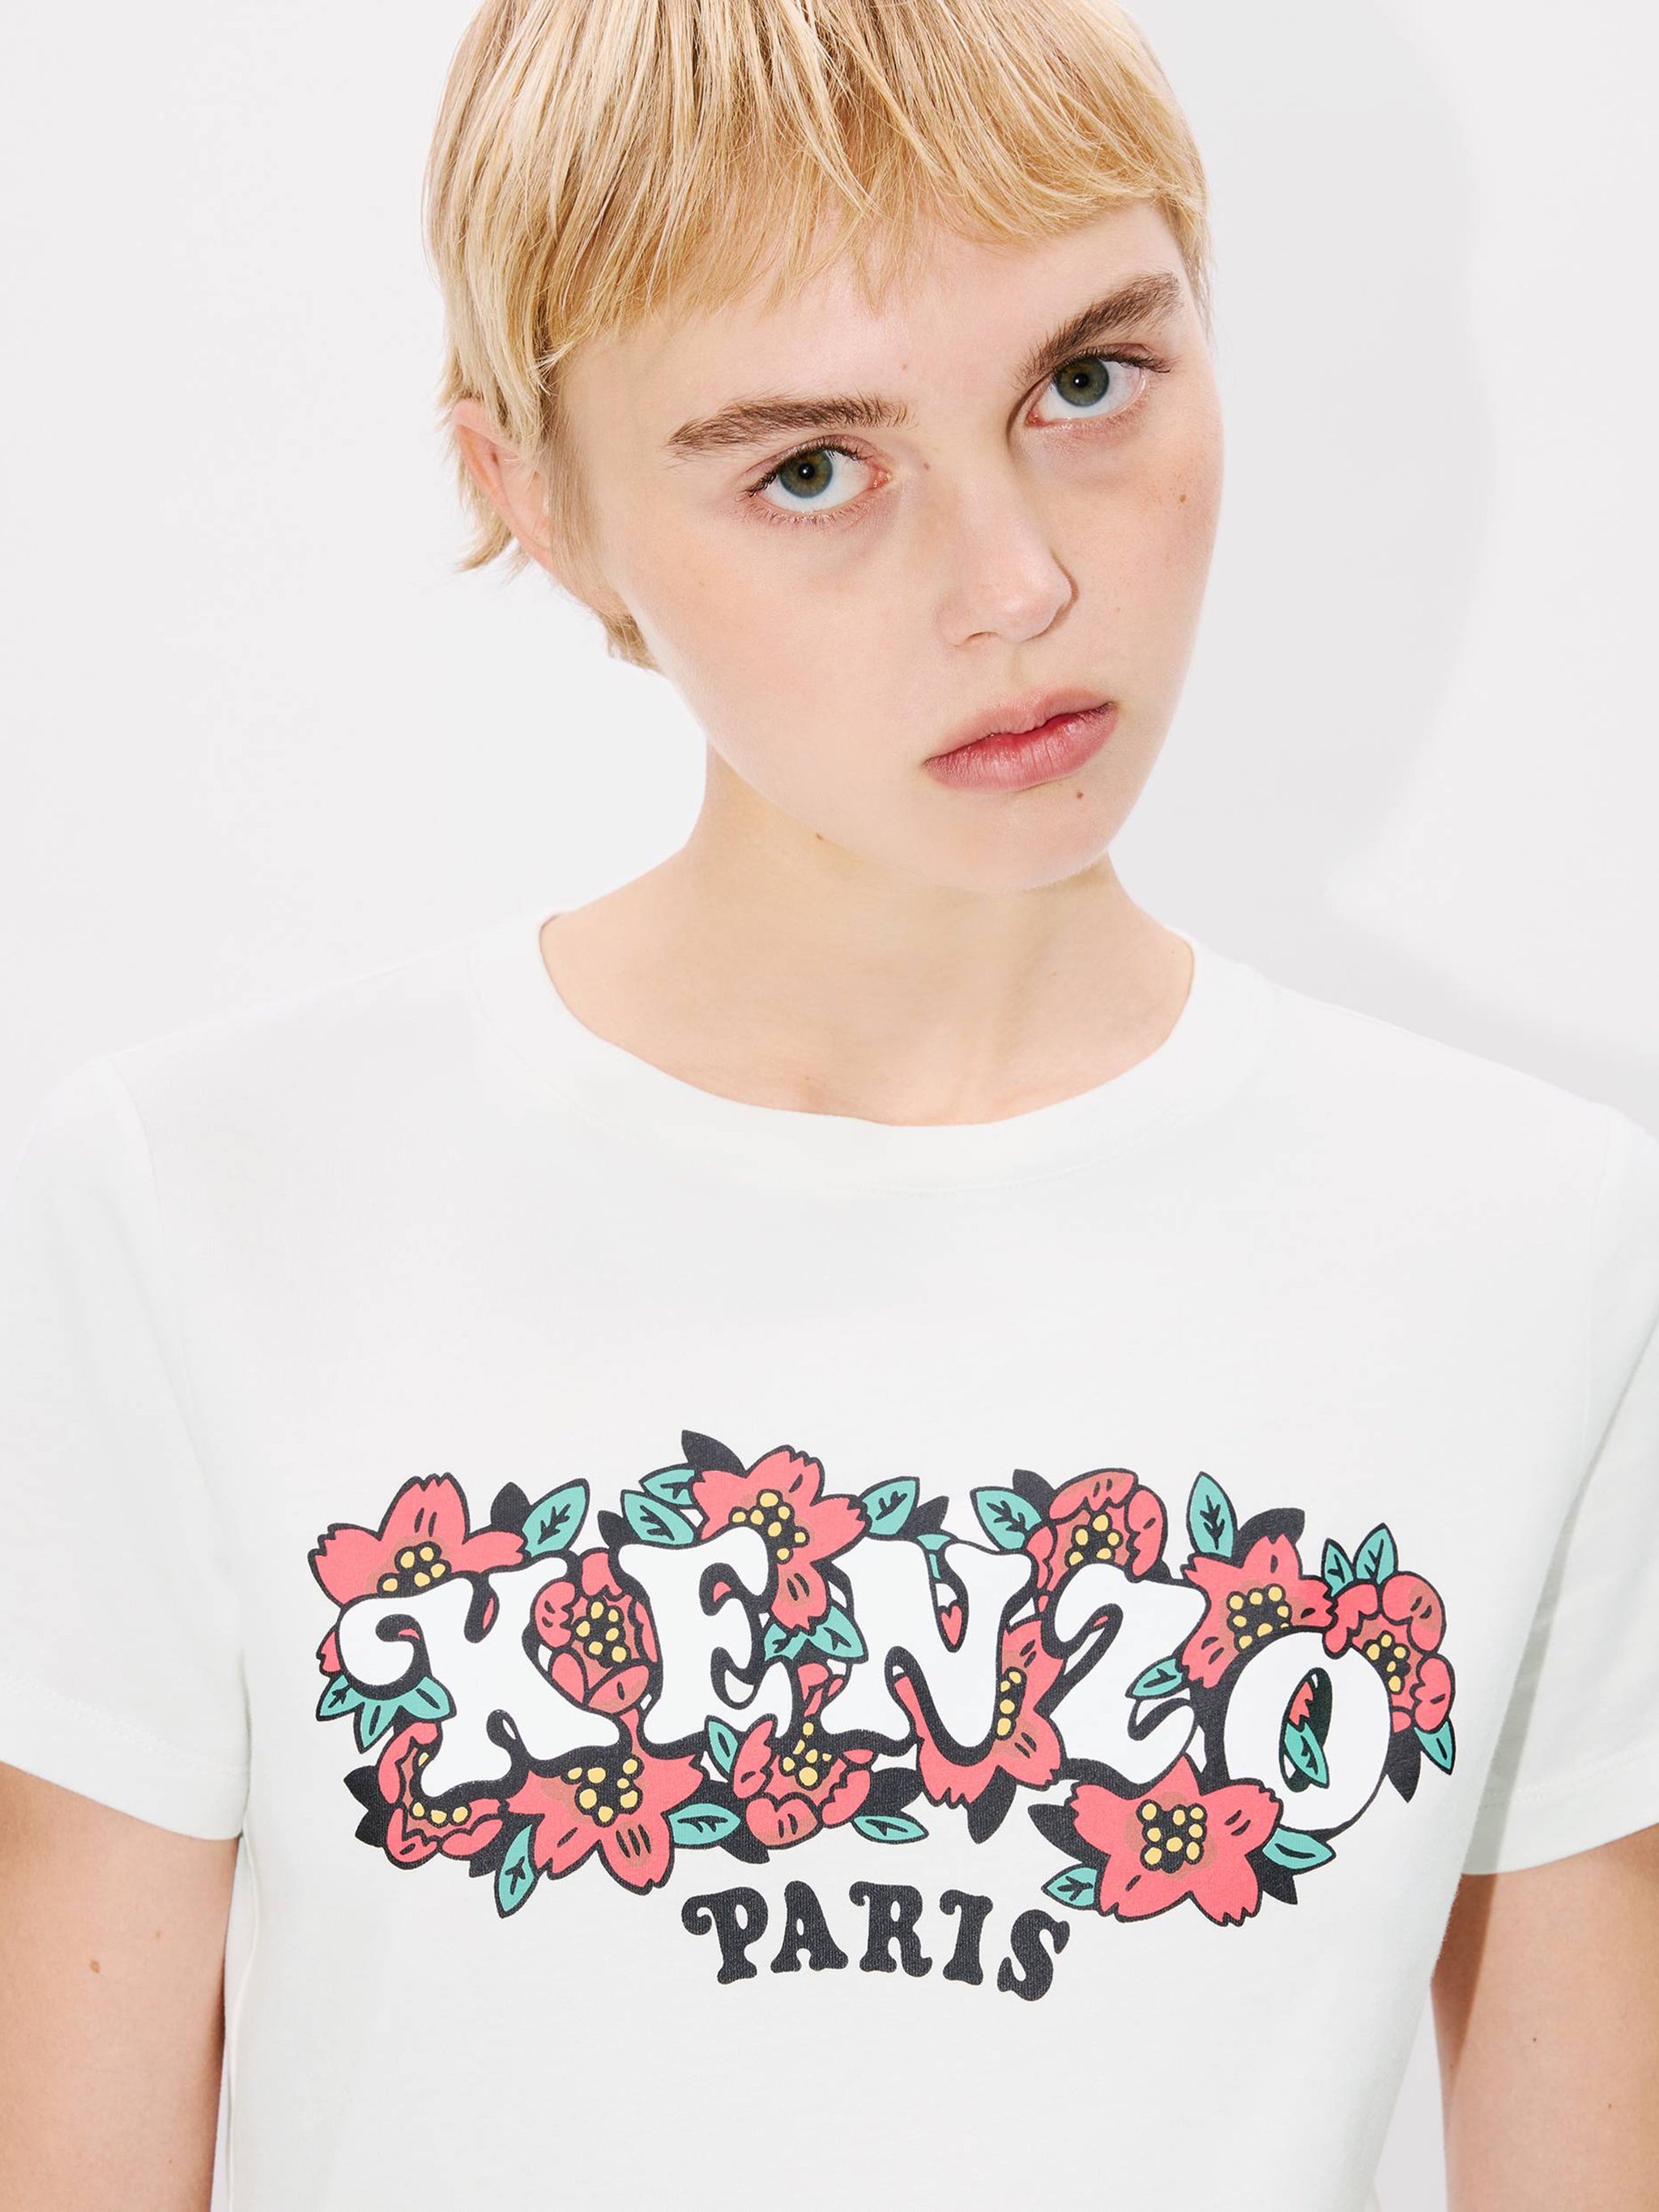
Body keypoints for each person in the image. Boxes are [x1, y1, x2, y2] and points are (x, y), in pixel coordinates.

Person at [1, 1, 1655, 2206]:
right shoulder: (203, 1208)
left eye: (1090, 379)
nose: (1020, 582)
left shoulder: (1533, 1250)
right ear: (533, 496)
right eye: (810, 467)